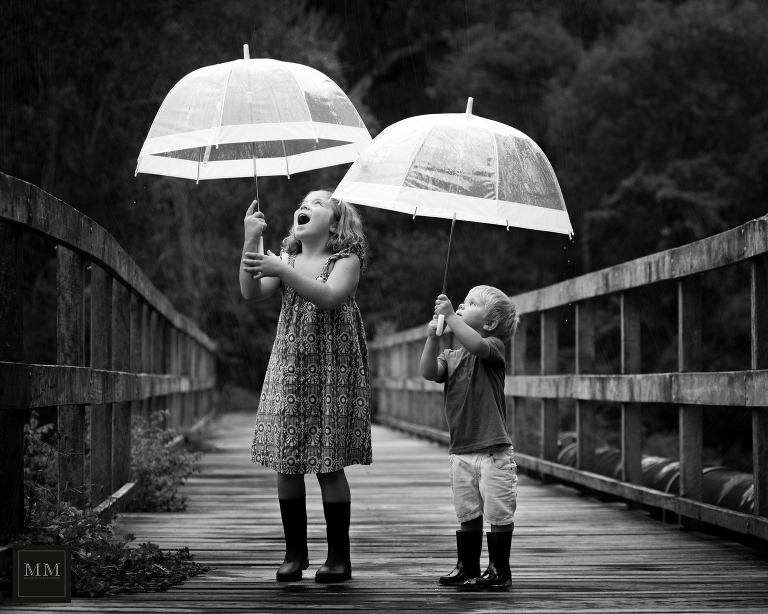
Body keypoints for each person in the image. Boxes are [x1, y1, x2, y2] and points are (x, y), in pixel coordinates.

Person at [240, 189, 372, 584]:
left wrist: (282, 271)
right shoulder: (287, 258)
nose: (305, 206)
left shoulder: (345, 258)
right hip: (291, 367)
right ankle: (294, 553)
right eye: (302, 202)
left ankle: (338, 557)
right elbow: (249, 292)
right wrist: (250, 238)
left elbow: (329, 297)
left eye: (317, 203)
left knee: (328, 461)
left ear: (334, 222)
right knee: (286, 457)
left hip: (333, 369)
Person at [420, 286, 520, 590]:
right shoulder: (451, 357)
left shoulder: (493, 347)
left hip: (493, 451)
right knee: (468, 511)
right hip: (461, 449)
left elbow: (475, 345)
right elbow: (427, 372)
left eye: (471, 303)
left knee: (498, 511)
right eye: (461, 302)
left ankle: (499, 570)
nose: (462, 304)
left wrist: (450, 315)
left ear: (489, 323)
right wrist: (432, 337)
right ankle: (467, 567)